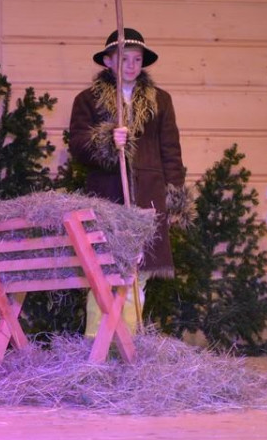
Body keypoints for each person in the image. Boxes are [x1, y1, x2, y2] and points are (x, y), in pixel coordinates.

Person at [67, 28, 186, 332]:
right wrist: (107, 139)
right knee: (105, 270)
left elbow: (170, 151)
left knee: (138, 273)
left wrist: (174, 198)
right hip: (107, 197)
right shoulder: (88, 100)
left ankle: (128, 341)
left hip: (148, 196)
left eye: (137, 59)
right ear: (108, 61)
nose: (131, 65)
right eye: (123, 59)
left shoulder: (161, 101)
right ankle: (99, 342)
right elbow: (77, 146)